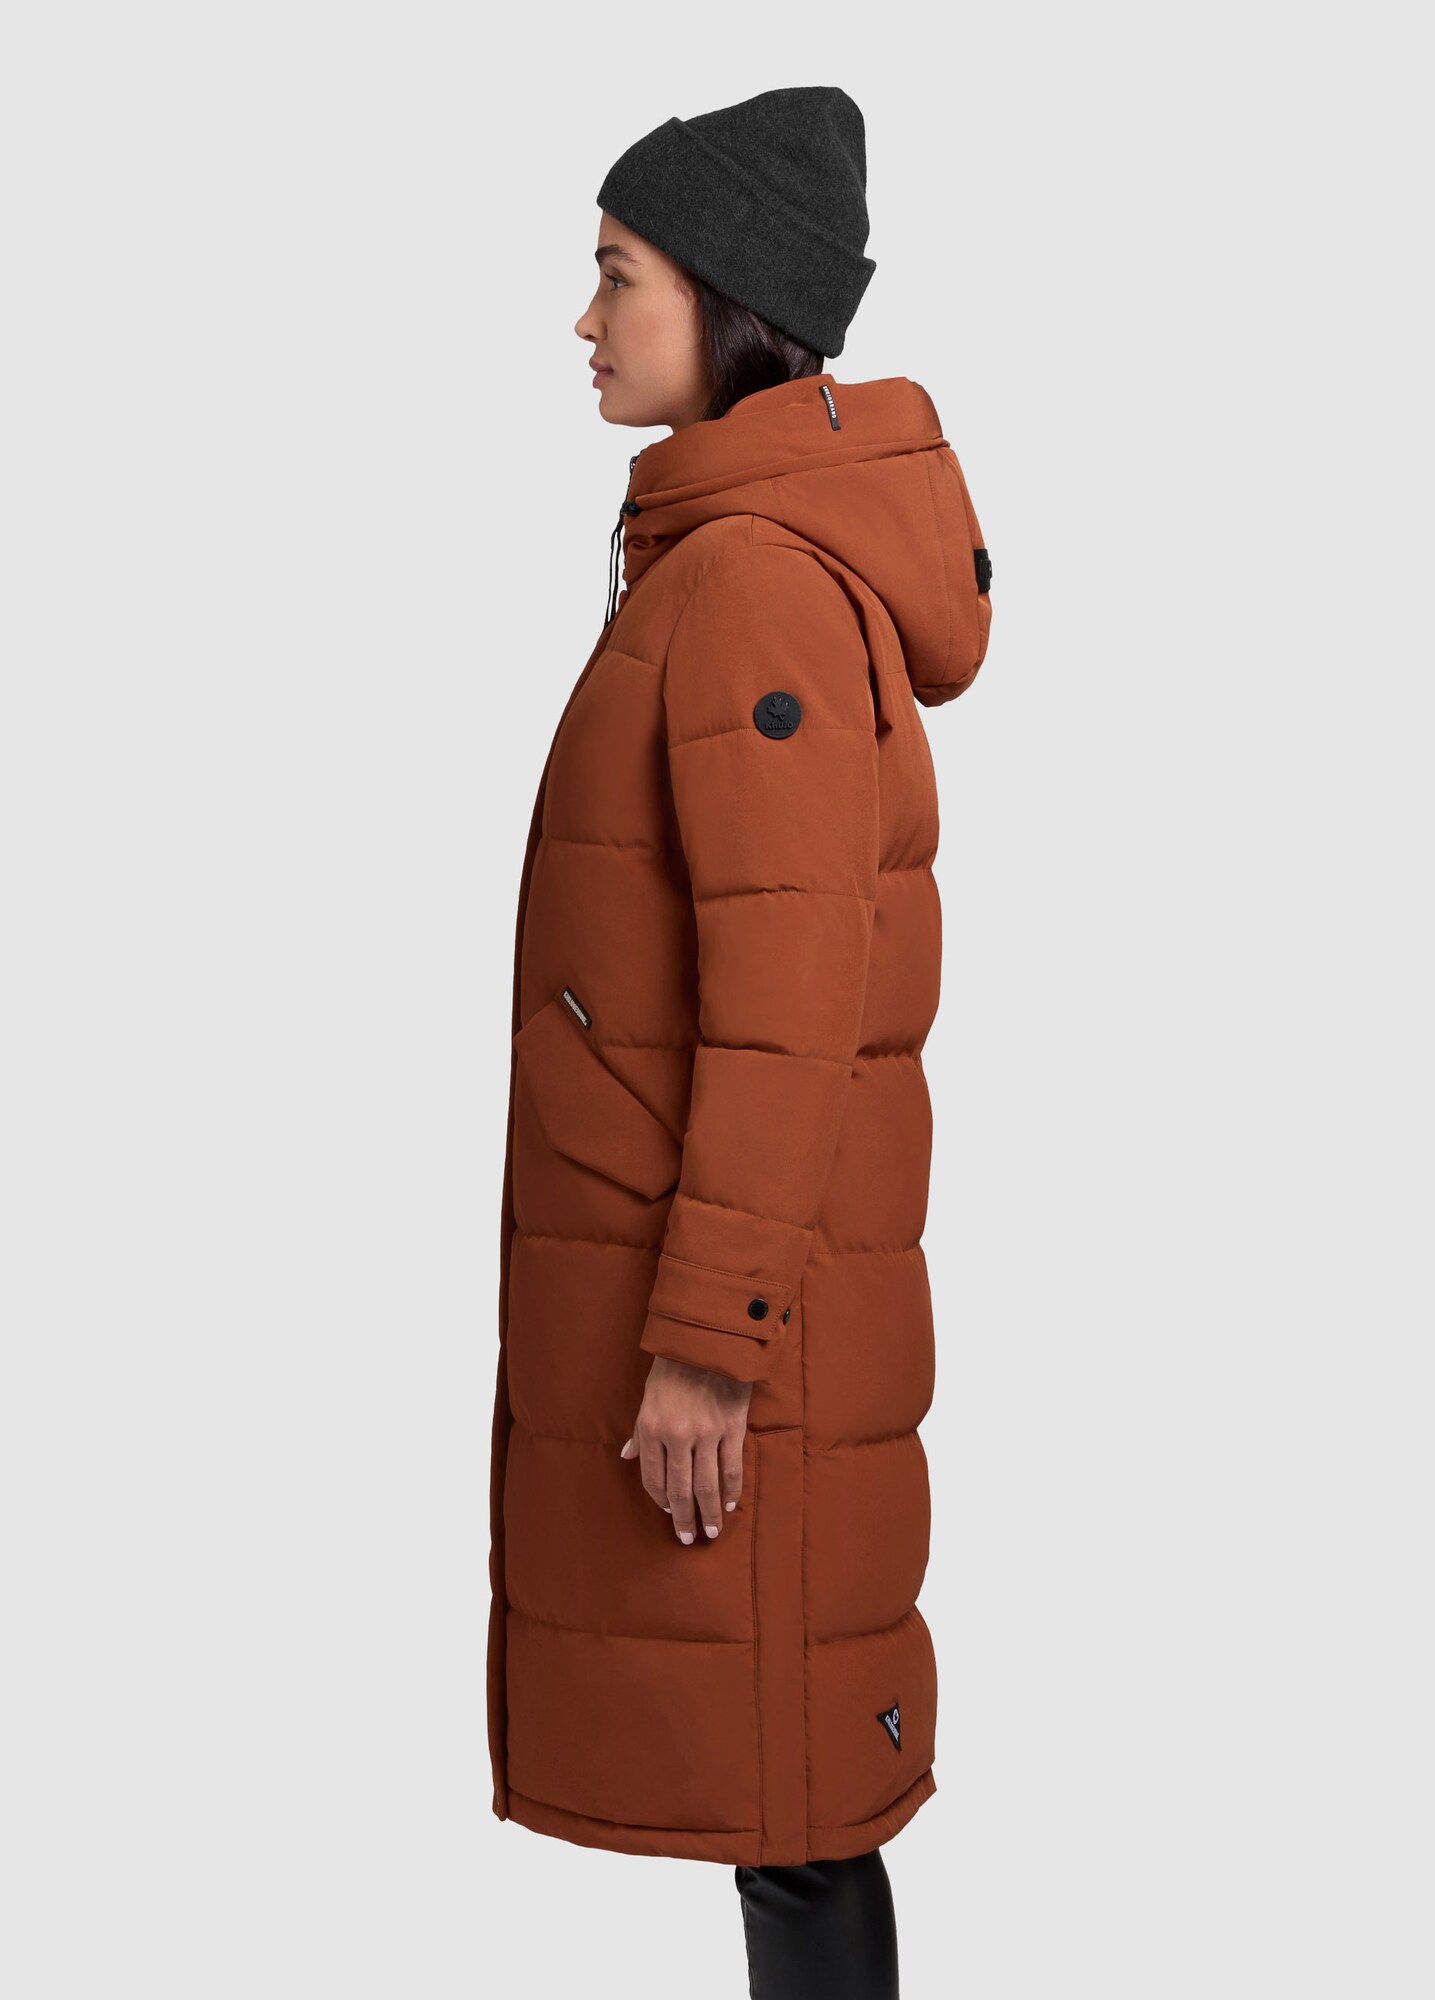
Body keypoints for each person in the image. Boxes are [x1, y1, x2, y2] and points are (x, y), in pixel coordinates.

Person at [486, 86, 992, 1998]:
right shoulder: (727, 554)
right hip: (745, 1287)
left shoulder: (754, 583)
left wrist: (709, 1342)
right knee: (785, 1814)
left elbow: (791, 1008)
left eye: (617, 274)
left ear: (729, 299)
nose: (586, 317)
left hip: (742, 1323)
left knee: (795, 1817)